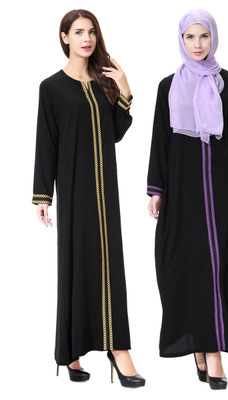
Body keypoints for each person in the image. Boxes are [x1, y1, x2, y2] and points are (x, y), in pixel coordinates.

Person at [147, 9, 228, 390]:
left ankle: (212, 350)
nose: (198, 44)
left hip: (219, 186)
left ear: (213, 38)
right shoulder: (168, 86)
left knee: (225, 265)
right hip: (181, 189)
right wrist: (156, 189)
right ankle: (201, 343)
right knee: (185, 266)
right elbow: (161, 140)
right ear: (181, 40)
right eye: (190, 37)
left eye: (204, 36)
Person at [32, 9, 145, 388]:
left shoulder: (102, 82)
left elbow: (115, 132)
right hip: (74, 189)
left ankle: (118, 348)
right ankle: (71, 352)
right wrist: (43, 194)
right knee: (75, 264)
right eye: (78, 32)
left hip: (106, 190)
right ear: (64, 37)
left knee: (110, 263)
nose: (87, 39)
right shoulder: (52, 87)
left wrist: (124, 90)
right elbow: (46, 142)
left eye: (92, 32)